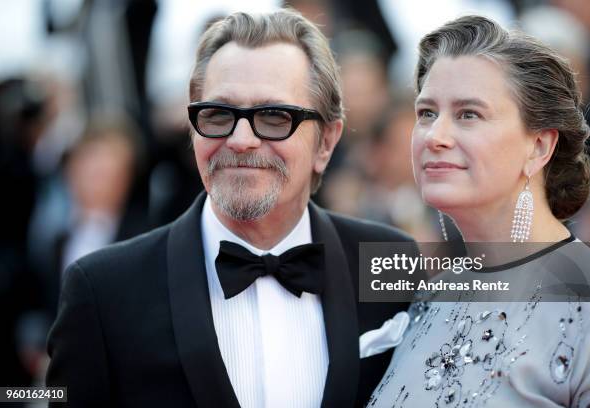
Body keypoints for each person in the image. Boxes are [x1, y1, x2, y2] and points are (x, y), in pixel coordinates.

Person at [46, 9, 417, 408]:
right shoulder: (103, 290)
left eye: (275, 117)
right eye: (218, 114)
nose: (241, 140)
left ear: (325, 143)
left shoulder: (388, 259)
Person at [368, 16, 590, 407]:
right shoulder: (429, 299)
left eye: (469, 114)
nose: (435, 136)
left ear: (540, 146)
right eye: (426, 112)